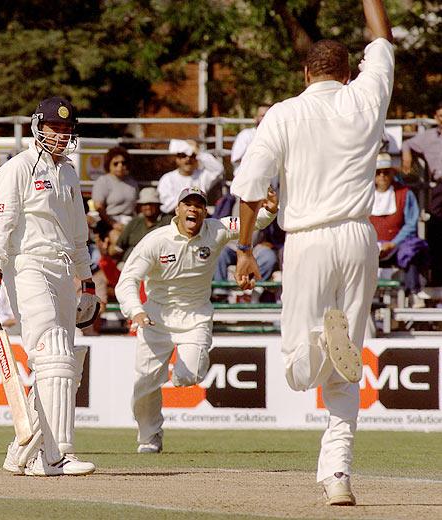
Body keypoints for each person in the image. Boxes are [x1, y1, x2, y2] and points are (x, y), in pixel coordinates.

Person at [230, 0, 393, 506]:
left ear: (305, 72)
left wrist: (245, 248)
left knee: (297, 370)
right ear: (350, 72)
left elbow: (251, 187)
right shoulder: (367, 96)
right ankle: (337, 474)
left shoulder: (285, 112)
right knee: (348, 373)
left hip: (308, 240)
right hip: (360, 237)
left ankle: (323, 342)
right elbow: (382, 38)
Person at [0, 96, 100, 476]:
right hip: (27, 265)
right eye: (54, 129)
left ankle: (22, 450)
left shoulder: (70, 174)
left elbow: (79, 234)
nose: (61, 137)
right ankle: (55, 455)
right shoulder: (17, 169)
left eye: (66, 130)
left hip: (62, 269)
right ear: (37, 127)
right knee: (52, 353)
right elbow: (0, 223)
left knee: (63, 361)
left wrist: (88, 282)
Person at [115, 186, 277, 454]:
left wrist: (269, 209)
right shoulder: (156, 240)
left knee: (186, 377)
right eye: (187, 204)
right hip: (155, 318)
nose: (193, 209)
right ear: (177, 209)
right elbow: (127, 280)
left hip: (195, 317)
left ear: (205, 211)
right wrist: (136, 310)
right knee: (144, 383)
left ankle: (180, 373)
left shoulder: (216, 229)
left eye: (199, 205)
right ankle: (149, 437)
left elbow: (251, 221)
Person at [370, 153, 429, 307]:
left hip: (397, 245)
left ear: (392, 173)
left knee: (412, 250)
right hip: (372, 244)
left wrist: (393, 243)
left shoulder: (405, 194)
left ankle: (414, 292)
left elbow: (411, 223)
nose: (382, 176)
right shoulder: (365, 195)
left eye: (386, 172)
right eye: (378, 172)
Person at [401, 102, 442, 285]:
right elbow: (407, 143)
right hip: (440, 185)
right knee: (435, 226)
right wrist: (407, 156)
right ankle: (436, 277)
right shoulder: (428, 137)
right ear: (436, 117)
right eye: (441, 116)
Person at [156, 139, 224, 214]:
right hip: (174, 216)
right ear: (177, 159)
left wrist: (198, 152)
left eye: (192, 156)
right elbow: (167, 207)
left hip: (197, 215)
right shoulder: (167, 179)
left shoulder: (202, 176)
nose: (188, 159)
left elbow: (218, 169)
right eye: (183, 156)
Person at [109, 187, 173, 266]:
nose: (148, 207)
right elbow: (119, 246)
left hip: (156, 266)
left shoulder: (168, 222)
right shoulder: (135, 222)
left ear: (158, 205)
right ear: (140, 207)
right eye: (145, 204)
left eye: (151, 204)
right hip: (129, 264)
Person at [91, 146, 139, 229]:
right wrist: (113, 224)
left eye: (123, 163)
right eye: (115, 163)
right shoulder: (103, 181)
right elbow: (99, 207)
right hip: (109, 221)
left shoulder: (132, 183)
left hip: (130, 222)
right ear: (108, 165)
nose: (120, 166)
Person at [230, 105, 271, 172]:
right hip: (247, 179)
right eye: (263, 115)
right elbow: (235, 159)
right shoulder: (246, 135)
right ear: (256, 118)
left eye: (268, 115)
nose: (266, 118)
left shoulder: (275, 136)